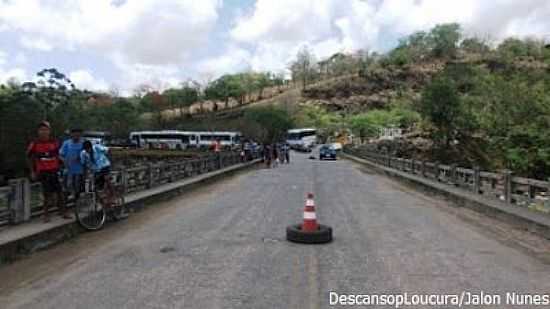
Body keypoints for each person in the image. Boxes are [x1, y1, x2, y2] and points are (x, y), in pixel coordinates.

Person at [27, 121, 70, 222]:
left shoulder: (54, 142)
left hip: (54, 170)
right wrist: (32, 171)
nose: (44, 132)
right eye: (41, 130)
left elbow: (57, 155)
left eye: (46, 130)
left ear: (49, 131)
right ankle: (46, 214)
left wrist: (63, 162)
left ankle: (63, 212)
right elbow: (29, 157)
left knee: (60, 192)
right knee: (47, 194)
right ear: (38, 131)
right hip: (43, 171)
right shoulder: (35, 143)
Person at [60, 128, 84, 200]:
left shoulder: (83, 144)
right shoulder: (66, 143)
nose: (76, 135)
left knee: (77, 186)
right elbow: (61, 154)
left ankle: (76, 198)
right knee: (66, 184)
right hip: (68, 168)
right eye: (74, 133)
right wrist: (64, 161)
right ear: (71, 134)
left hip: (79, 169)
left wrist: (81, 157)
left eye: (78, 133)